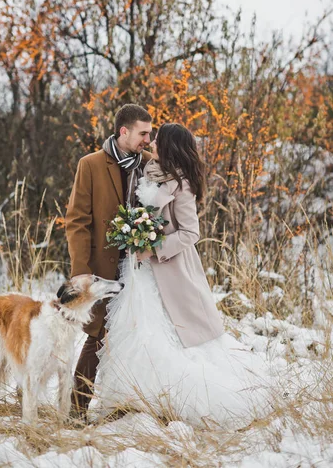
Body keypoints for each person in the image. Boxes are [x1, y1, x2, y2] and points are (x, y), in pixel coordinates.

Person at [94, 123, 272, 429]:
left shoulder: (183, 184)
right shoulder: (148, 171)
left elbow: (191, 233)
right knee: (140, 332)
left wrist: (154, 249)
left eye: (158, 140)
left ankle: (182, 400)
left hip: (170, 270)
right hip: (141, 275)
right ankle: (137, 399)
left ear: (170, 146)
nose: (153, 144)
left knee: (175, 337)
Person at [65, 104, 153, 414]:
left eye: (150, 133)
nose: (147, 139)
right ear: (123, 131)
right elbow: (76, 221)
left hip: (138, 269)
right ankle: (76, 410)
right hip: (101, 269)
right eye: (143, 133)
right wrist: (81, 272)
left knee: (138, 332)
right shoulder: (90, 165)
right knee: (97, 335)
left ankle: (131, 404)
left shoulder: (148, 165)